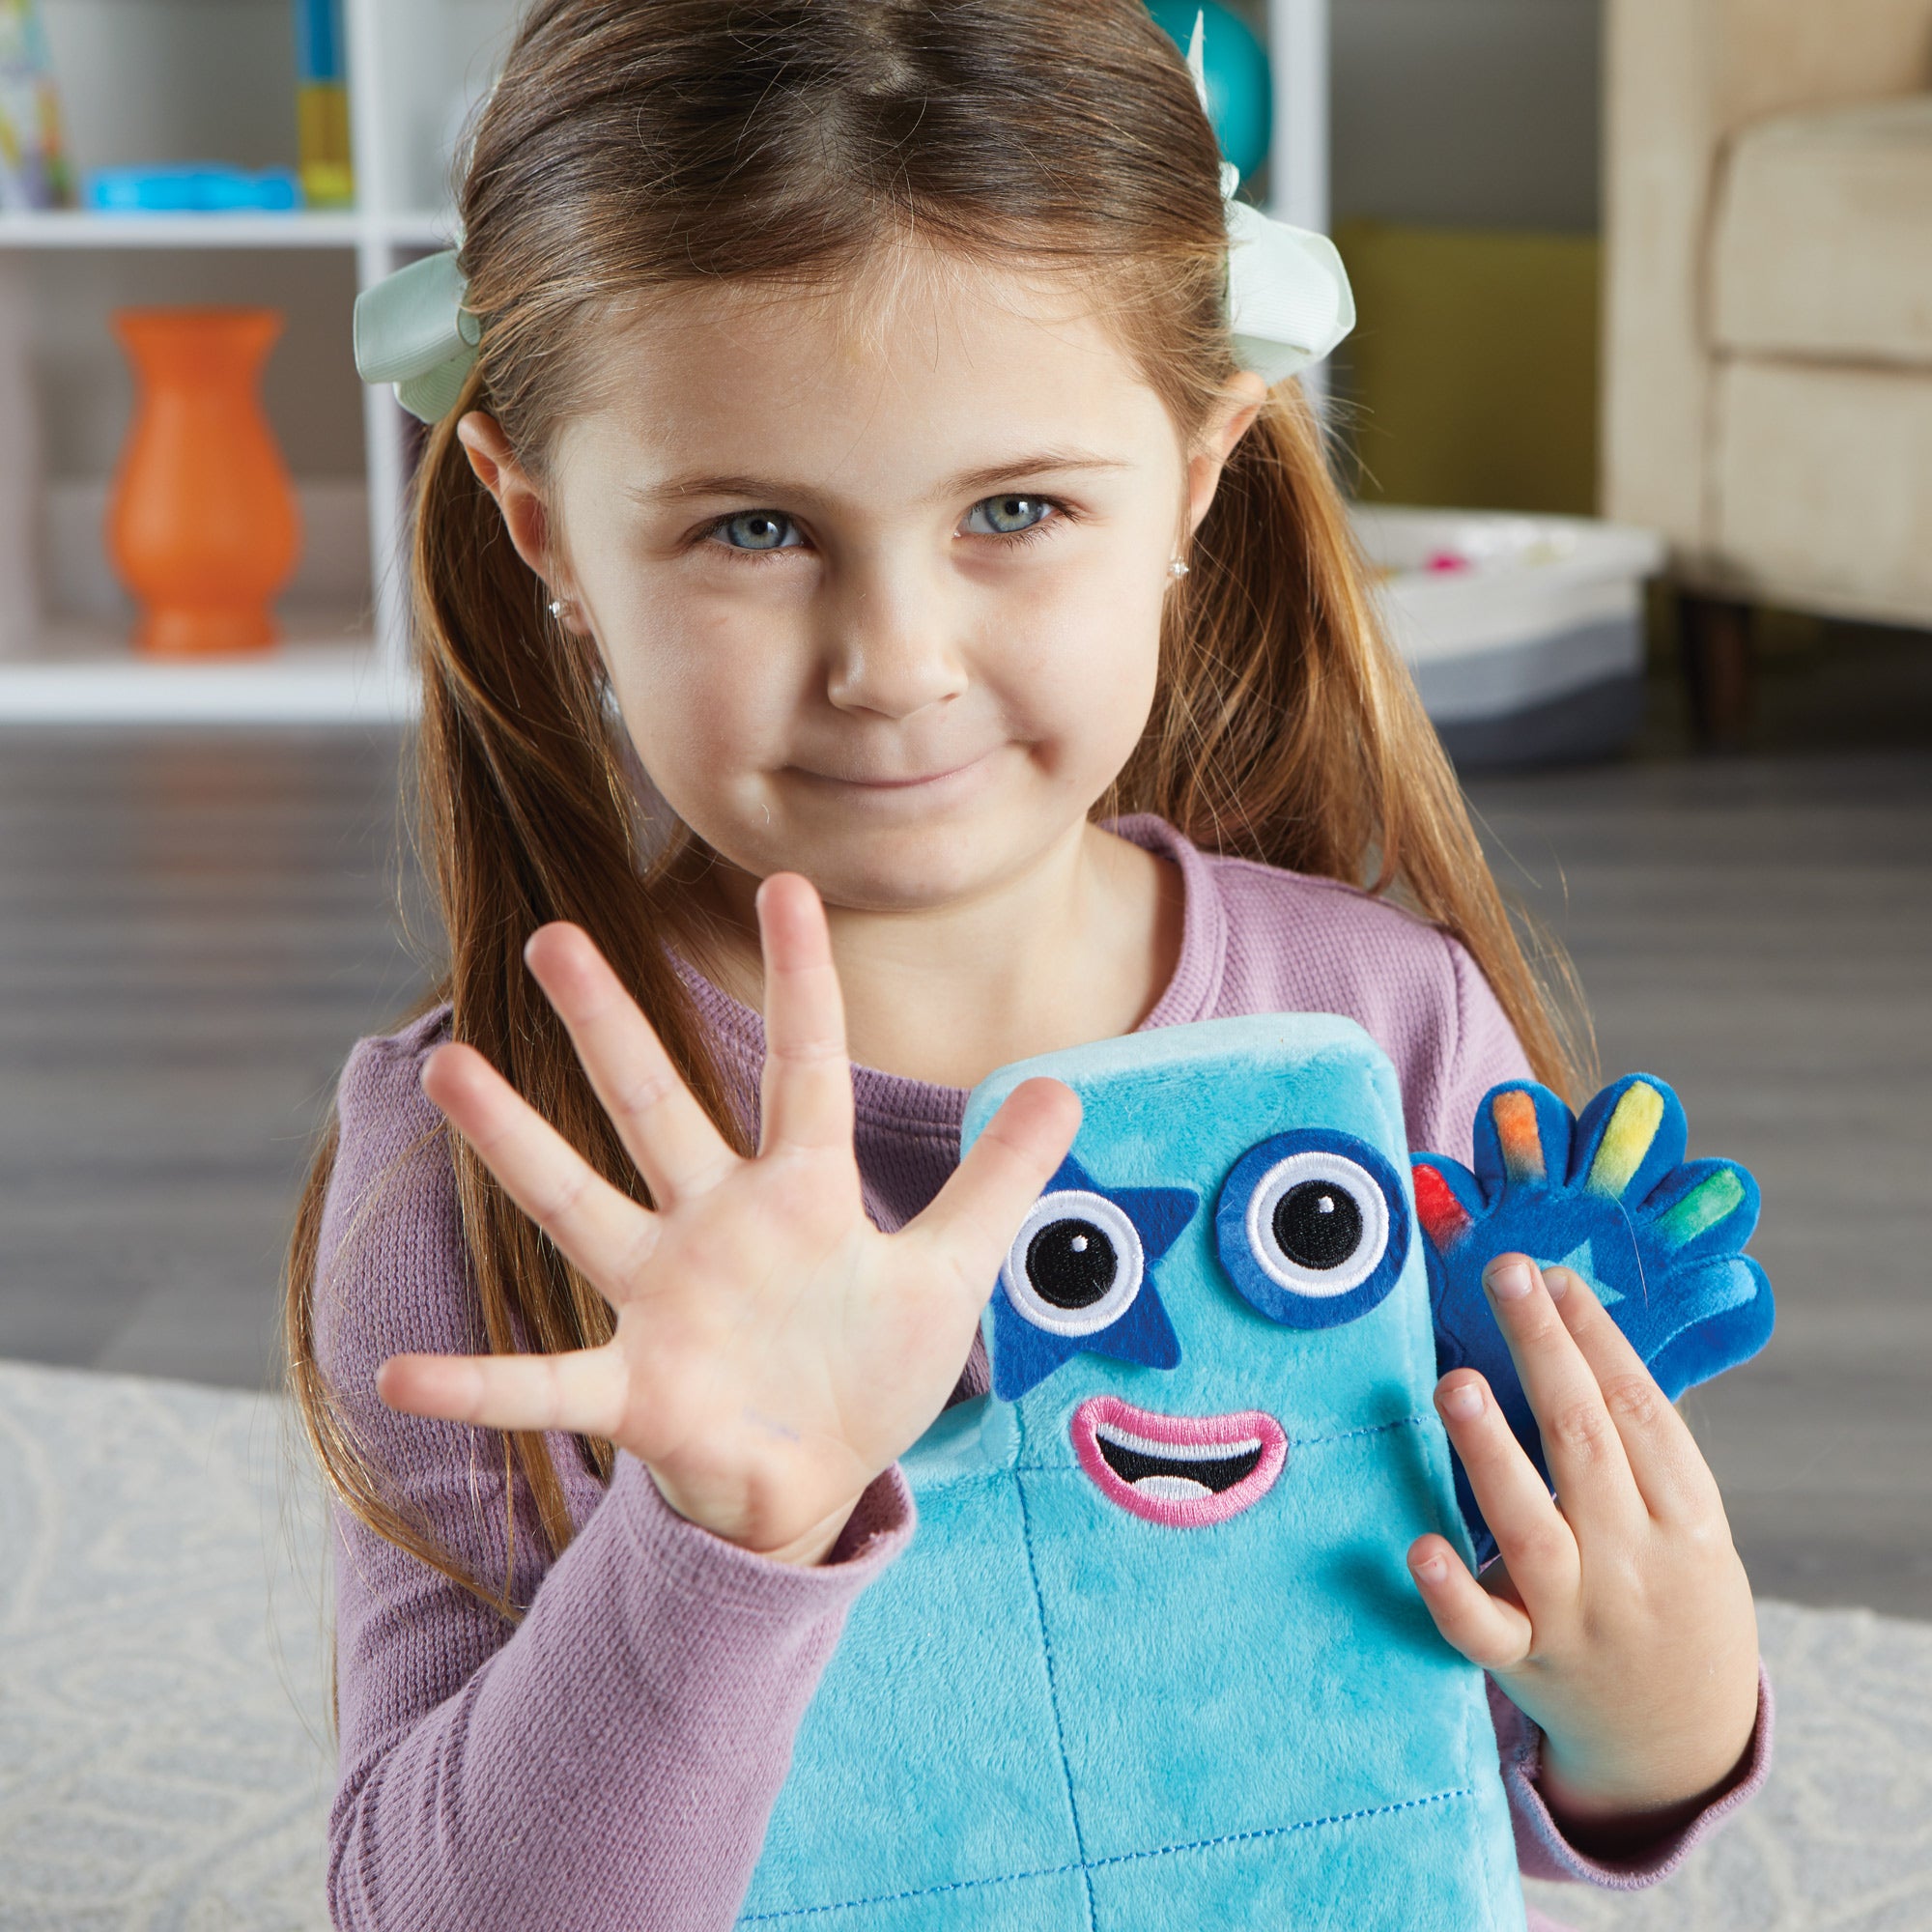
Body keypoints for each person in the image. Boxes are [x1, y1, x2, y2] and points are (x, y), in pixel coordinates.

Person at [285, 3, 1770, 1925]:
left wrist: (1654, 1703)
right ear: (540, 525)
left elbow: (1471, 1760)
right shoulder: (485, 1156)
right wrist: (725, 1527)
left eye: (1014, 510)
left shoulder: (1378, 1034)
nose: (894, 657)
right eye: (750, 526)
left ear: (1201, 470)